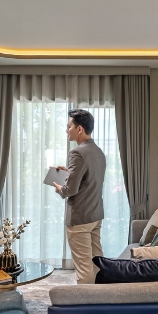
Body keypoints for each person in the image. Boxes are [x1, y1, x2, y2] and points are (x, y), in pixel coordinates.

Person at [54, 109, 106, 283]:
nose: (66, 130)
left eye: (69, 126)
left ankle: (85, 299)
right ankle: (101, 295)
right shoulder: (98, 152)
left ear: (79, 129)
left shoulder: (77, 153)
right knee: (97, 262)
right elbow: (88, 180)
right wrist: (69, 172)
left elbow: (70, 190)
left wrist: (59, 188)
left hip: (80, 218)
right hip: (95, 215)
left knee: (84, 267)